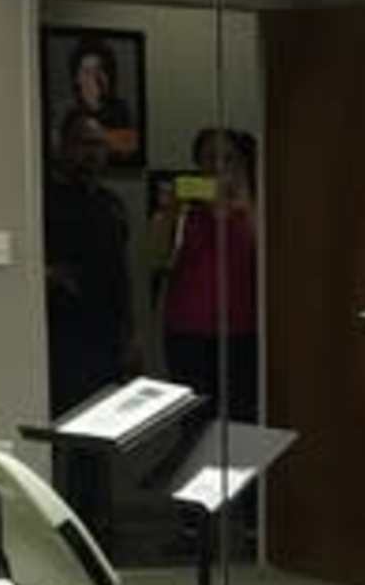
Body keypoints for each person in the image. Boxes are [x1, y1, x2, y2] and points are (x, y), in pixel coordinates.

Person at [156, 125, 261, 422]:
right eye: (208, 158)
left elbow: (269, 258)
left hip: (243, 331)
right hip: (187, 330)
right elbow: (157, 257)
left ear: (242, 164)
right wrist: (171, 212)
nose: (217, 167)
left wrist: (243, 207)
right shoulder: (187, 208)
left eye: (228, 159)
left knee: (242, 418)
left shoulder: (255, 205)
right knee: (194, 423)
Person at [40, 112, 136, 421]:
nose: (93, 153)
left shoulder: (111, 204)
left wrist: (130, 335)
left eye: (100, 145)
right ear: (64, 147)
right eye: (84, 143)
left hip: (107, 335)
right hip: (63, 334)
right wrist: (48, 275)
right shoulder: (43, 201)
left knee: (104, 426)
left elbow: (121, 272)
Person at [57, 37, 138, 165]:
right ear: (77, 78)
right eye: (87, 72)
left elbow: (132, 146)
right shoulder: (70, 115)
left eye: (100, 70)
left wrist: (101, 134)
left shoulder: (121, 110)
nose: (95, 79)